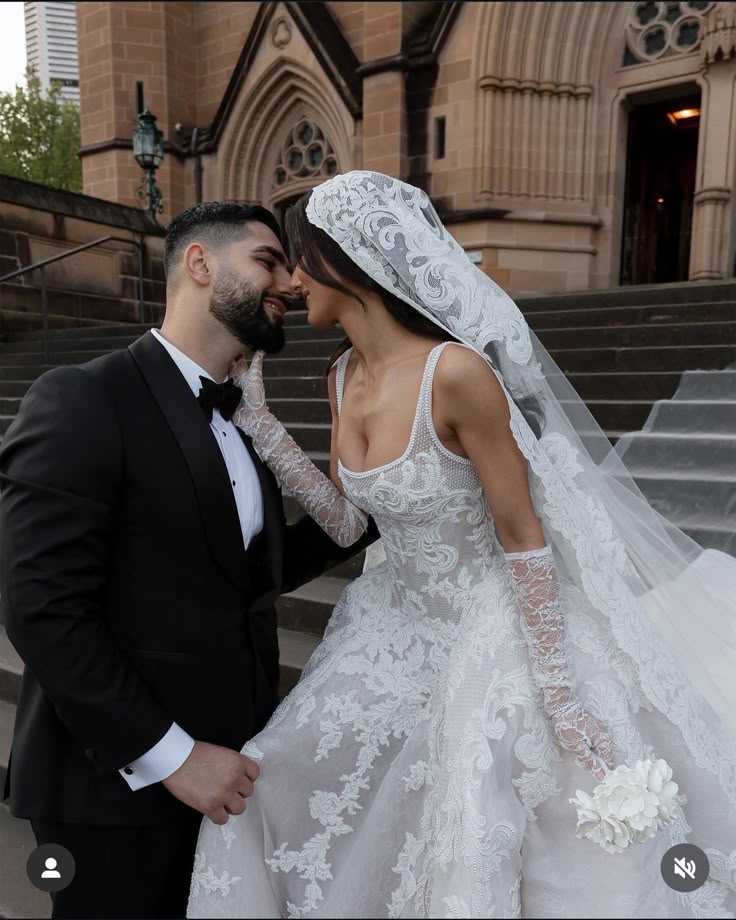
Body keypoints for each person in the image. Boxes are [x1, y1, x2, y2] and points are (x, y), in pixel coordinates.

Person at [187, 173, 736, 919]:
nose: (288, 283)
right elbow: (350, 524)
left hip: (492, 629)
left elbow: (524, 536)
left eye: (301, 260)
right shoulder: (341, 373)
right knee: (273, 773)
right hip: (390, 625)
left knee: (475, 821)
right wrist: (261, 423)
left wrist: (560, 692)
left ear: (347, 261)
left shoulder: (457, 374)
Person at [0, 201, 375, 920]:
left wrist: (388, 493)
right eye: (268, 261)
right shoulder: (82, 399)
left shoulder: (243, 412)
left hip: (233, 773)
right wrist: (172, 756)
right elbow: (42, 610)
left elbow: (248, 575)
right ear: (199, 264)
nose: (290, 286)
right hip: (114, 792)